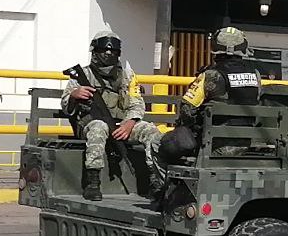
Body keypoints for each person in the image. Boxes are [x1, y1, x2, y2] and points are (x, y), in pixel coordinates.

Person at [61, 30, 162, 200]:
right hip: (90, 124)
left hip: (120, 125)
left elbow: (137, 103)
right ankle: (93, 183)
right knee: (99, 127)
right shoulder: (82, 75)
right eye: (103, 50)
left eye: (113, 51)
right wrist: (74, 95)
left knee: (151, 131)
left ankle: (156, 179)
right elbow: (65, 106)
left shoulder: (127, 76)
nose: (108, 54)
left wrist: (130, 122)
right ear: (94, 51)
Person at [153, 27, 262, 179]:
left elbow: (186, 109)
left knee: (156, 144)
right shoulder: (255, 75)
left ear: (215, 48)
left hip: (213, 144)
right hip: (245, 143)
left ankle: (161, 192)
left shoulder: (211, 75)